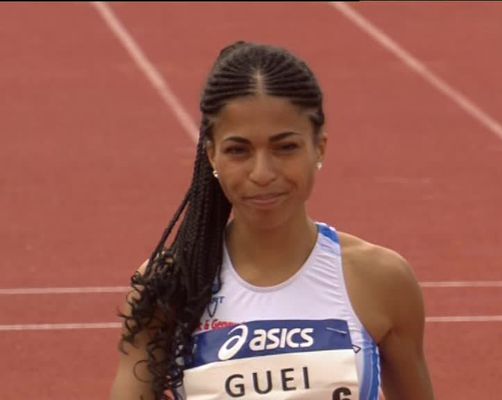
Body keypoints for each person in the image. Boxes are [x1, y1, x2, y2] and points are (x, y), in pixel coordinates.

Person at [110, 41, 435, 400]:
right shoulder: (168, 285)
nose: (262, 173)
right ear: (212, 155)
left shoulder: (380, 280)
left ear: (319, 147)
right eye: (239, 150)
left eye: (285, 147)